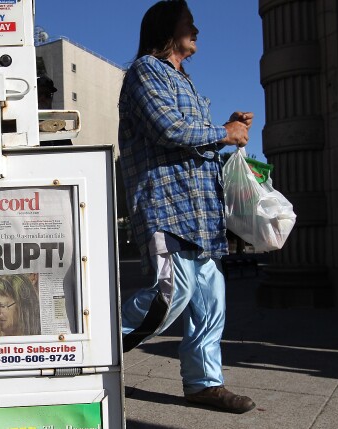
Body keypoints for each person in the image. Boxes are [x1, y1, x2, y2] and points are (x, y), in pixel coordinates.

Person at [118, 0, 255, 414]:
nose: (197, 29)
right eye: (188, 23)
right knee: (170, 294)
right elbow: (170, 129)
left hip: (201, 213)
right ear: (167, 30)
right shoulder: (145, 71)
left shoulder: (186, 80)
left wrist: (226, 128)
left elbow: (196, 138)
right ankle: (80, 357)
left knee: (210, 300)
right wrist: (225, 133)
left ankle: (204, 384)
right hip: (167, 207)